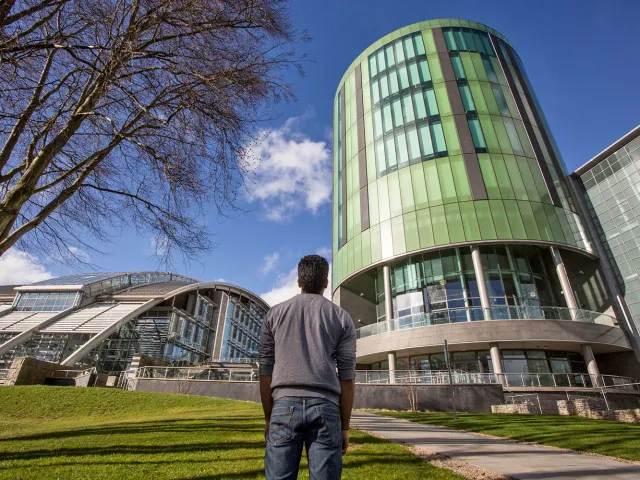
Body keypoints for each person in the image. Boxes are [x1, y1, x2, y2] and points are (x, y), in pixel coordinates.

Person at [259, 254, 357, 480]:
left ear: (298, 282)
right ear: (326, 282)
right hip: (327, 407)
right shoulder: (341, 318)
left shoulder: (274, 315)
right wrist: (345, 427)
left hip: (283, 407)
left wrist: (268, 418)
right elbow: (347, 378)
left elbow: (265, 371)